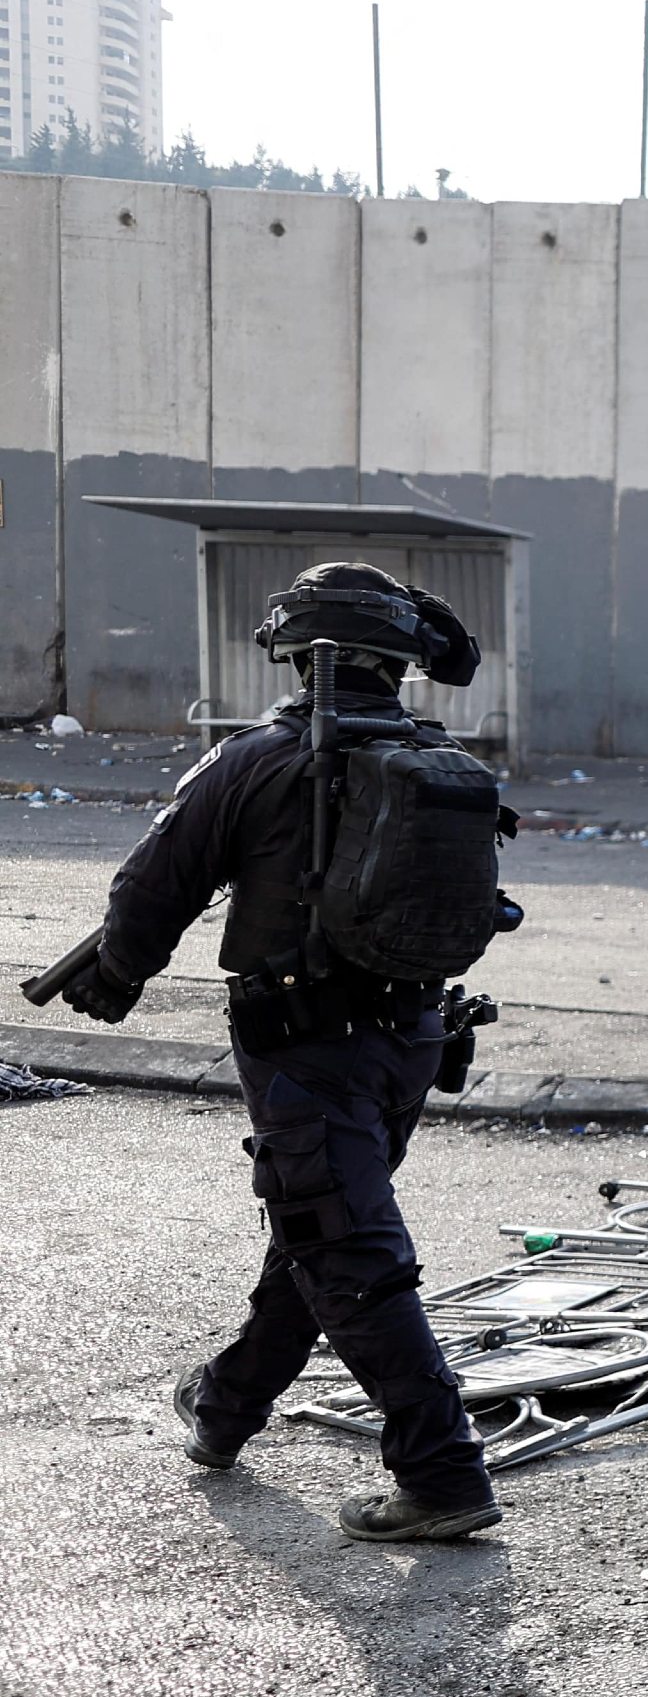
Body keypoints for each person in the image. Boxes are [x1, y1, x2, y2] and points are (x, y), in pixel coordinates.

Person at [49, 560, 511, 1542]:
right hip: (413, 1040)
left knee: (351, 1254)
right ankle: (224, 1408)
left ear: (302, 654)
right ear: (396, 662)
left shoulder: (258, 757)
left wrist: (117, 973)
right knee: (319, 1233)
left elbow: (154, 884)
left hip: (307, 1048)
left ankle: (442, 1473)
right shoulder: (430, 753)